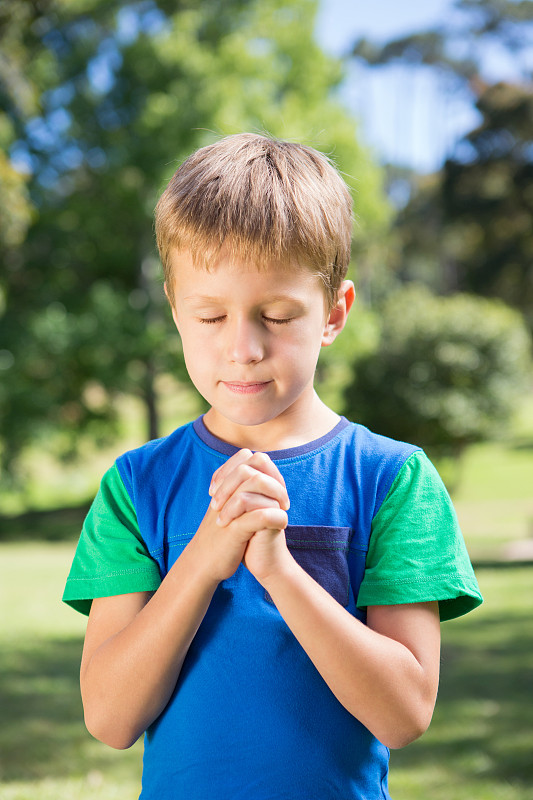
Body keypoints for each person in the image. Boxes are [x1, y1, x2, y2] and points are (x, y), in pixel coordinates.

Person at [63, 133, 483, 800]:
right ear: (175, 311)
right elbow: (111, 719)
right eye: (209, 315)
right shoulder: (135, 487)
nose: (242, 349)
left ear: (333, 313)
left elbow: (405, 715)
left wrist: (279, 572)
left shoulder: (392, 480)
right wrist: (203, 558)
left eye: (277, 314)